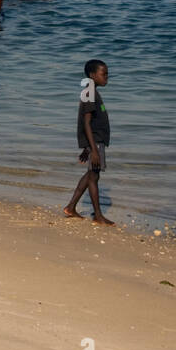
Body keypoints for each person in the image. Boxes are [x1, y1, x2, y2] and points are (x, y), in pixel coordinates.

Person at [64, 59, 114, 226]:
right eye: (103, 74)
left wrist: (86, 148)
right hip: (95, 142)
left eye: (107, 73)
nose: (107, 76)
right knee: (94, 176)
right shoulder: (90, 93)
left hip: (95, 141)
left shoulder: (93, 92)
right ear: (93, 75)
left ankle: (71, 207)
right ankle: (98, 215)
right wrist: (92, 149)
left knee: (92, 175)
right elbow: (86, 123)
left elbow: (89, 123)